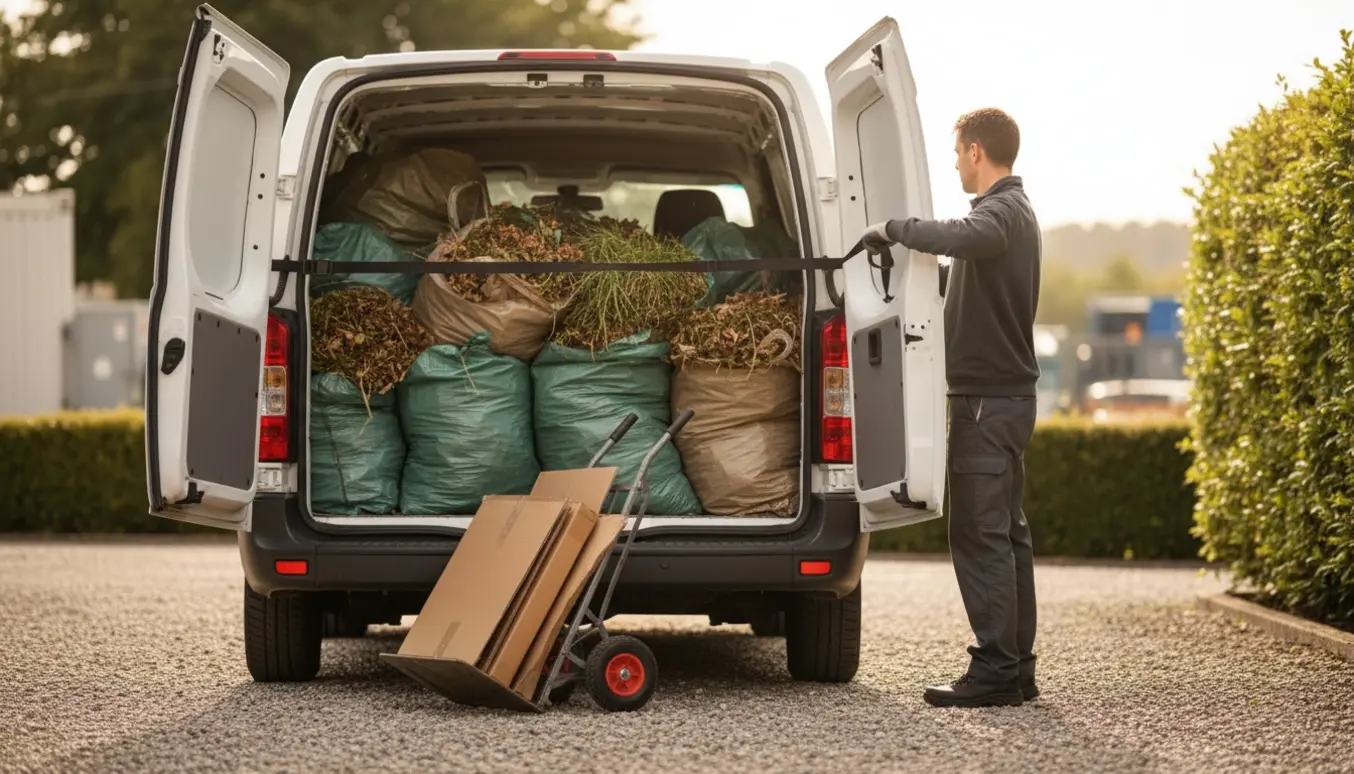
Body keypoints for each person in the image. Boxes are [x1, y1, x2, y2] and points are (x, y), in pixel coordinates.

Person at [861, 108, 1041, 708]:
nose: (954, 162)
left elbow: (964, 235)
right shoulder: (1009, 216)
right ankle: (1015, 669)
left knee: (980, 535)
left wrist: (894, 228)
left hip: (989, 403)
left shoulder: (1000, 214)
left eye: (957, 151)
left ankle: (994, 670)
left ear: (975, 152)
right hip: (1001, 398)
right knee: (1006, 536)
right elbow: (964, 263)